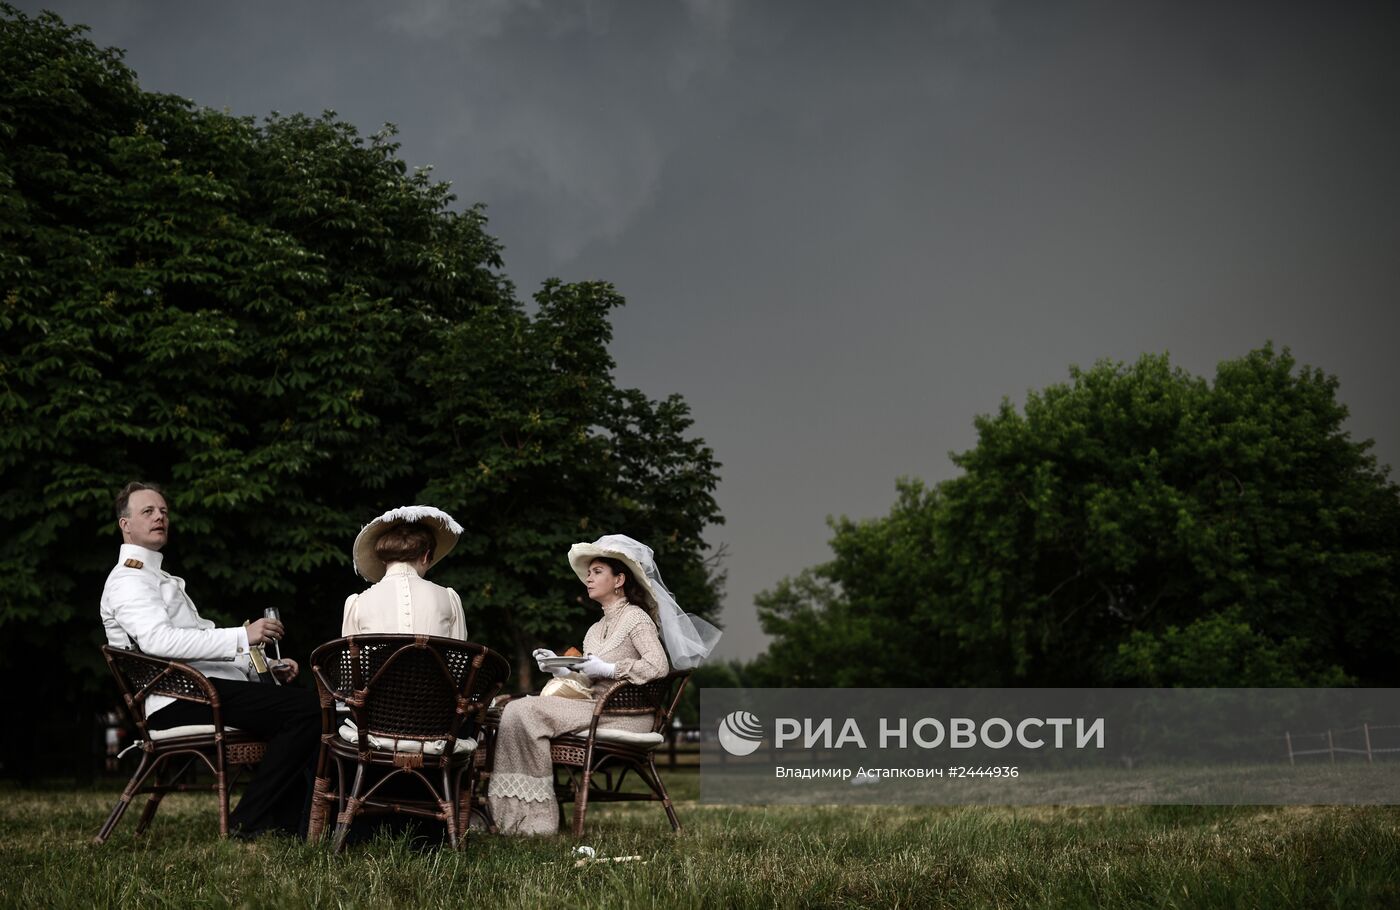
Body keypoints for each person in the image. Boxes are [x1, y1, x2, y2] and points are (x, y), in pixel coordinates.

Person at [99, 481, 321, 839]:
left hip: (197, 691)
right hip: (177, 700)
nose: (160, 517)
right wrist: (241, 635)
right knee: (306, 710)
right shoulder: (130, 580)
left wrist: (260, 666)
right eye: (148, 512)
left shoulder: (158, 577)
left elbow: (198, 648)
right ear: (125, 525)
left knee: (304, 707)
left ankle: (289, 819)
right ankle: (250, 820)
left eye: (164, 512)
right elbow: (159, 642)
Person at [488, 534, 721, 835]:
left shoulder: (636, 618)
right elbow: (588, 677)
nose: (588, 578)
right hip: (594, 705)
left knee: (526, 712)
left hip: (627, 715)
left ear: (619, 579)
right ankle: (515, 816)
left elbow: (659, 666)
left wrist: (611, 668)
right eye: (588, 573)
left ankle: (537, 822)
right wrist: (560, 669)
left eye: (597, 571)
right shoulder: (594, 629)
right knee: (517, 710)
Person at [342, 506, 466, 639]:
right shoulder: (449, 598)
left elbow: (352, 658)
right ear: (426, 556)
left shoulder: (357, 604)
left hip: (379, 661)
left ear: (384, 560)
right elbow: (459, 658)